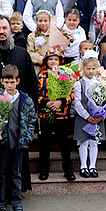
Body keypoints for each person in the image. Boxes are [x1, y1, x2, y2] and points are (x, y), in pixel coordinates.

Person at [0, 64, 37, 211]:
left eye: (12, 82)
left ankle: (16, 202)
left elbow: (31, 121)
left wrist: (26, 137)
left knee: (16, 174)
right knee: (1, 173)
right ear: (2, 81)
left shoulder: (25, 99)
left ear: (18, 81)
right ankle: (1, 202)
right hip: (3, 142)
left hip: (18, 142)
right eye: (6, 82)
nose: (9, 85)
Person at [36, 52, 75, 182]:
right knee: (45, 142)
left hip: (62, 114)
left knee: (64, 143)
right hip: (46, 113)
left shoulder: (66, 74)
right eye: (50, 59)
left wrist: (61, 101)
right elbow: (37, 93)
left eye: (55, 59)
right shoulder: (42, 75)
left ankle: (68, 170)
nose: (53, 61)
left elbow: (72, 93)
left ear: (60, 61)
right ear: (46, 61)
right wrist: (47, 102)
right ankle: (43, 169)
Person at [72, 54, 106, 178]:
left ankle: (92, 166)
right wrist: (87, 116)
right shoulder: (79, 84)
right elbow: (77, 102)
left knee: (94, 142)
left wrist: (100, 115)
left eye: (93, 68)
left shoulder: (100, 83)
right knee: (83, 142)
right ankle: (83, 166)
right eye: (88, 68)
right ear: (83, 69)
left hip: (97, 118)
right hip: (84, 118)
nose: (91, 71)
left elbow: (105, 100)